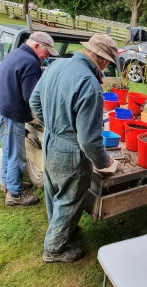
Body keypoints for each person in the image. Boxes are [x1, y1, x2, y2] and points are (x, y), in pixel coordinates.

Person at [29, 33, 117, 263]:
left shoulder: (56, 65)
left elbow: (34, 102)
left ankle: (59, 228)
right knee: (69, 199)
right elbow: (89, 140)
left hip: (50, 141)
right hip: (70, 151)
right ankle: (54, 249)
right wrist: (104, 162)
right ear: (104, 61)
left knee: (54, 191)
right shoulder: (89, 83)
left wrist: (52, 126)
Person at [0, 31, 58, 206]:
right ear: (36, 45)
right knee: (16, 155)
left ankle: (8, 183)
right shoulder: (31, 62)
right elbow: (32, 97)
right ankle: (15, 195)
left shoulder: (16, 53)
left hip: (3, 109)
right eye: (46, 52)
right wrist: (44, 115)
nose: (46, 56)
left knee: (8, 150)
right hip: (12, 114)